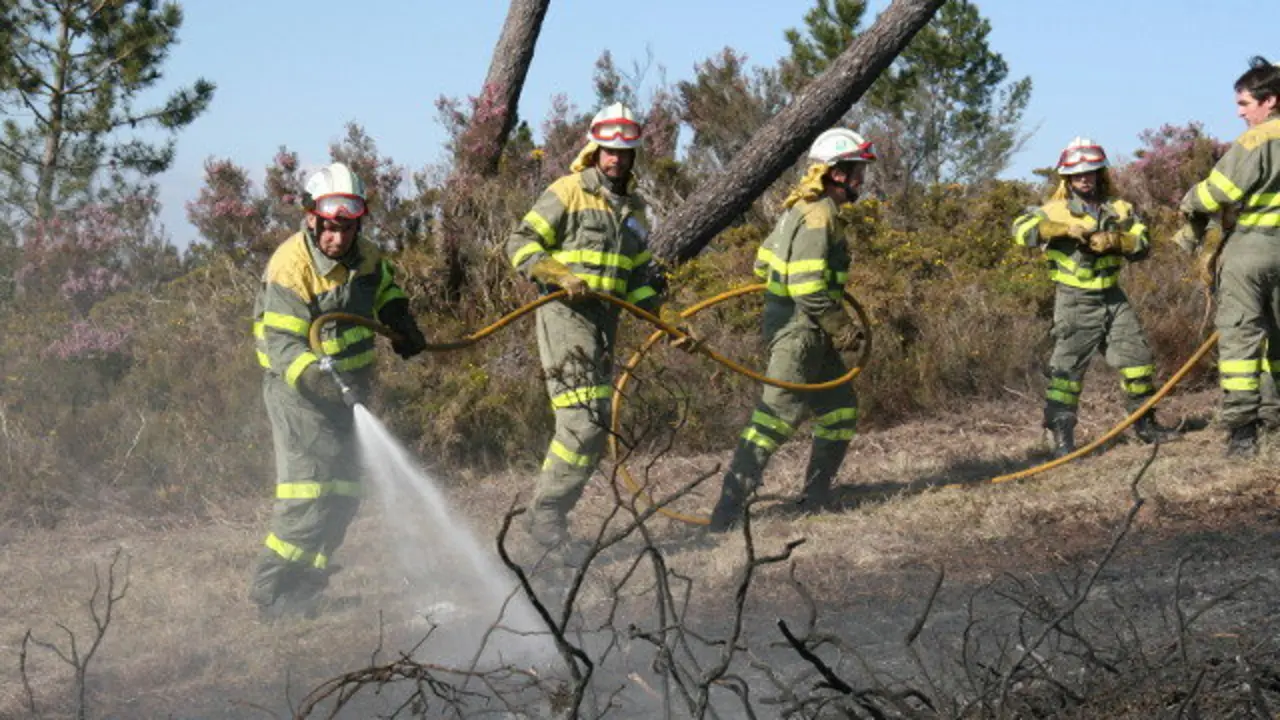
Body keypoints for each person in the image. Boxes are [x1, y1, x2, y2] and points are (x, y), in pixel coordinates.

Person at [248, 162, 427, 619]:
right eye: (329, 228)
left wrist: (401, 321)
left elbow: (384, 290)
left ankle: (307, 584)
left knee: (344, 492)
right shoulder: (291, 267)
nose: (338, 239)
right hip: (301, 397)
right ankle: (272, 594)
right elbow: (284, 344)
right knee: (308, 492)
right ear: (311, 218)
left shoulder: (366, 256)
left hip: (349, 394)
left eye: (347, 228)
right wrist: (317, 380)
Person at [505, 103, 671, 550]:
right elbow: (520, 243)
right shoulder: (568, 191)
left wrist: (660, 316)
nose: (616, 159)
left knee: (595, 424)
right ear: (595, 149)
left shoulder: (633, 208)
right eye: (609, 151)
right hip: (565, 318)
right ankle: (546, 516)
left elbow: (635, 275)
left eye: (624, 152)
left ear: (634, 155)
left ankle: (550, 516)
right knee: (582, 422)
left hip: (603, 325)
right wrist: (558, 274)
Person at [707, 128, 873, 532]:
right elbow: (807, 286)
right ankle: (726, 513)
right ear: (838, 173)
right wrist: (842, 328)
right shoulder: (820, 215)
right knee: (773, 421)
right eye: (857, 171)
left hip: (809, 332)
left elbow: (762, 264)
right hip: (802, 334)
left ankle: (816, 498)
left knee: (840, 411)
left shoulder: (798, 209)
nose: (861, 180)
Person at [1012, 137, 1179, 458]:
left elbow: (1143, 243)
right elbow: (1021, 231)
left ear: (1100, 174)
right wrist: (1059, 230)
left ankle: (1145, 425)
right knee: (1068, 371)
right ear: (1067, 179)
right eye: (1077, 175)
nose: (1084, 179)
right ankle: (1062, 436)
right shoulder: (1053, 209)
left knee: (1137, 362)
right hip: (1075, 300)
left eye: (1090, 172)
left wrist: (1120, 241)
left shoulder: (1119, 208)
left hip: (1113, 297)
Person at [1176, 56, 1280, 458]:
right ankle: (1274, 417)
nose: (1239, 114)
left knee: (1240, 338)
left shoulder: (1255, 141)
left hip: (1251, 251)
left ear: (1269, 100)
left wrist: (1190, 203)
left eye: (1244, 104)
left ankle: (1241, 431)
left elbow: (1217, 191)